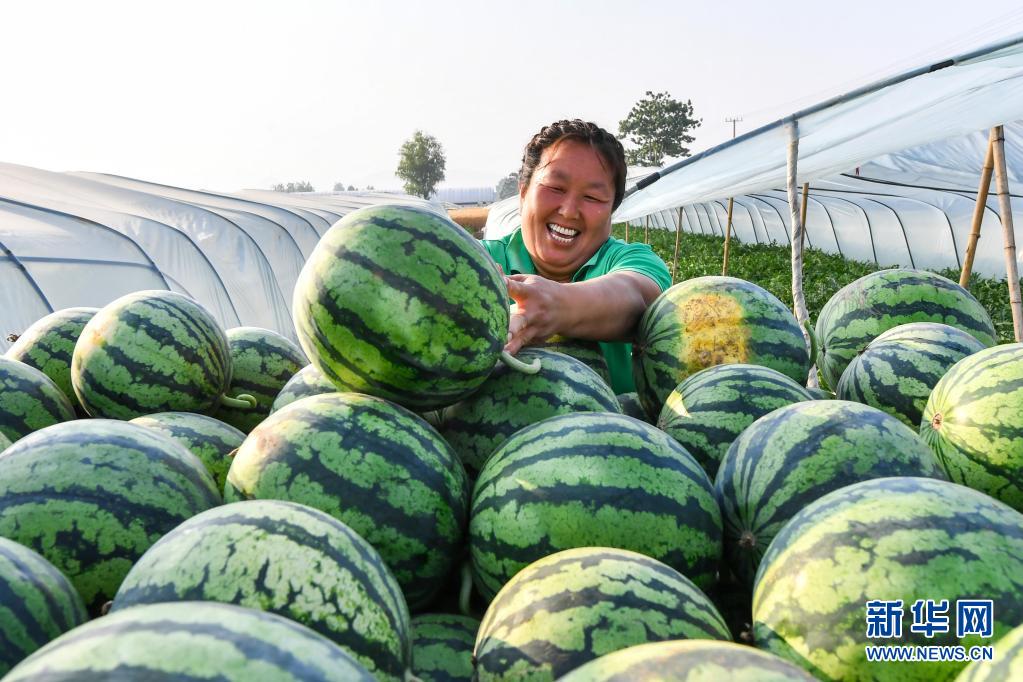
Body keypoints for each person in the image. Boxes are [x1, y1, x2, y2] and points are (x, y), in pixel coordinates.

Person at [482, 119, 671, 394]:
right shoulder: (482, 260)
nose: (569, 211)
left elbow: (639, 297)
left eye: (592, 198)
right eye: (555, 188)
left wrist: (551, 306)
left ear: (611, 212)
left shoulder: (632, 260)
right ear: (523, 194)